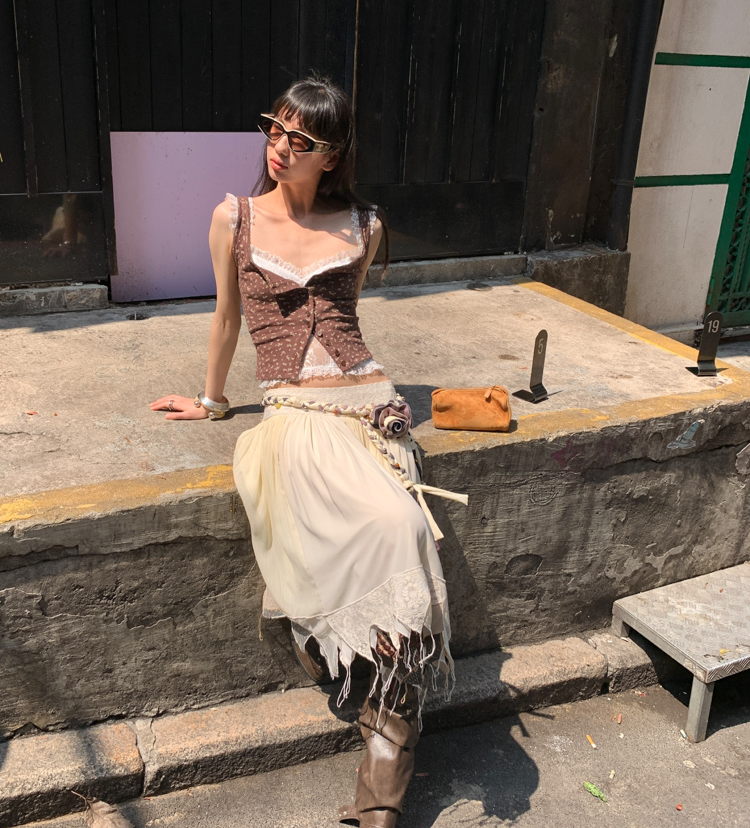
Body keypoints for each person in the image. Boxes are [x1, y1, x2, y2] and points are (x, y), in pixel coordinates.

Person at [150, 74, 463, 828]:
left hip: (369, 404)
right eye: (276, 128)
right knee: (378, 530)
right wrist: (213, 400)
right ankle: (375, 760)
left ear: (333, 155)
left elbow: (348, 321)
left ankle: (381, 790)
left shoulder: (366, 224)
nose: (280, 146)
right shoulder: (234, 217)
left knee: (403, 527)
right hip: (294, 408)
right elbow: (227, 317)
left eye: (302, 139)